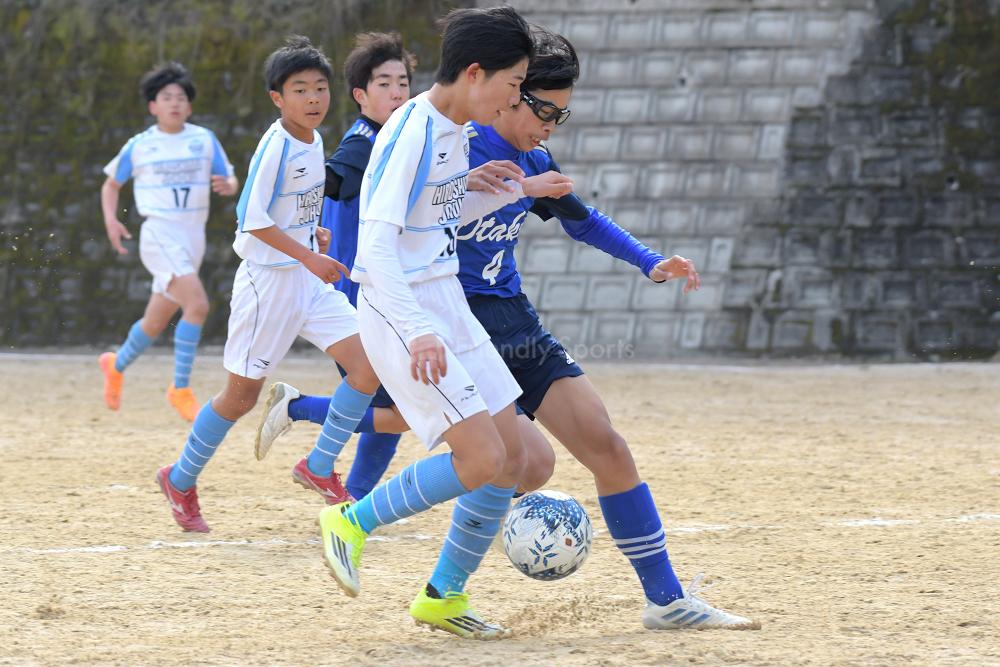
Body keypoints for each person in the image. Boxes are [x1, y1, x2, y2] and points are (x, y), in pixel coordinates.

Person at [304, 27, 758, 633]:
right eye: (529, 98)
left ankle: (660, 599)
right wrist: (403, 319)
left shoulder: (490, 145)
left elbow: (562, 218)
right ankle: (347, 501)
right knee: (485, 454)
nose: (546, 123)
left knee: (560, 453)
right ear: (493, 84)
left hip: (497, 315)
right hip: (430, 310)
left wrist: (645, 259)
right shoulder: (442, 130)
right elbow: (378, 236)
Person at [316, 6, 573, 638]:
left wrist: (513, 189)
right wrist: (417, 330)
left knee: (526, 459)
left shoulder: (455, 129)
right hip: (402, 308)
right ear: (476, 73)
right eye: (514, 85)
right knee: (483, 457)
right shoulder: (413, 130)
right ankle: (350, 520)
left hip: (446, 301)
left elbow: (438, 216)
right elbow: (376, 248)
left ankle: (442, 597)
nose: (515, 100)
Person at [155, 36, 386, 533]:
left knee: (370, 365)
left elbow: (294, 206)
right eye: (300, 89)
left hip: (306, 280)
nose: (313, 98)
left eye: (320, 87)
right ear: (277, 98)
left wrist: (312, 233)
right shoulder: (276, 144)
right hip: (267, 286)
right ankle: (179, 477)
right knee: (239, 399)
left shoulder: (314, 138)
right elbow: (251, 218)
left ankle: (318, 465)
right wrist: (309, 255)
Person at [254, 32, 417, 501]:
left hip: (383, 292)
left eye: (403, 82)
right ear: (360, 95)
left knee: (398, 407)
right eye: (384, 83)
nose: (397, 92)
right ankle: (299, 410)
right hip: (355, 297)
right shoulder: (362, 144)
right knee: (399, 409)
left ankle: (353, 497)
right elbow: (334, 179)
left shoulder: (394, 141)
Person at [98, 62, 238, 422]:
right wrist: (111, 220)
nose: (174, 103)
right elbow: (111, 184)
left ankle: (116, 364)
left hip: (193, 235)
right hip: (160, 233)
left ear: (189, 107)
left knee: (155, 320)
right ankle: (180, 388)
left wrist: (228, 185)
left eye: (180, 98)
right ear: (153, 106)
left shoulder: (204, 139)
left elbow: (230, 178)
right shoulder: (140, 146)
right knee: (198, 305)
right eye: (166, 97)